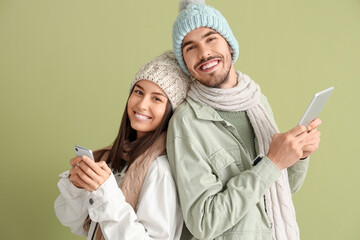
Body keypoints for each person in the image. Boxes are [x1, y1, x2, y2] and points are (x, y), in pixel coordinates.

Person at [167, 1, 322, 239]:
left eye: (211, 39)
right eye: (191, 48)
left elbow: (279, 191)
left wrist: (299, 155)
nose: (204, 53)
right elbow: (204, 222)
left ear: (229, 45)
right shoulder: (186, 122)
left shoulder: (256, 101)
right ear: (186, 65)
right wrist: (272, 163)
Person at [54, 51, 190, 240]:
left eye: (157, 98)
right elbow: (80, 226)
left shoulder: (160, 170)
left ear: (171, 111)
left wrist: (106, 193)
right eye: (139, 92)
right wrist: (77, 188)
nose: (142, 105)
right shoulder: (114, 158)